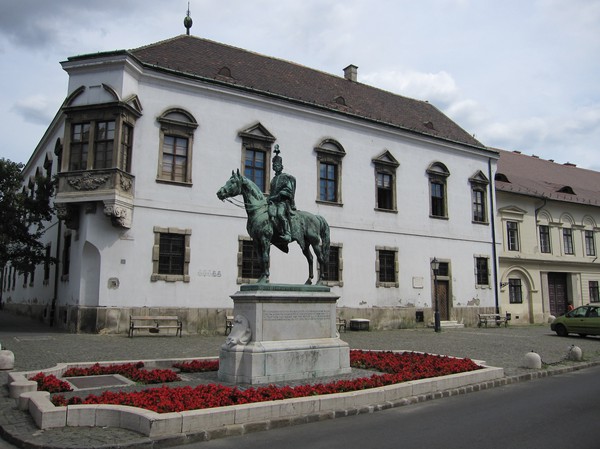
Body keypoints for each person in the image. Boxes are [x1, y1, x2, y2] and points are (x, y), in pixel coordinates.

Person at [268, 145, 296, 243]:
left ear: (281, 166)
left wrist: (277, 196)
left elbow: (288, 191)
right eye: (274, 166)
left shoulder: (285, 177)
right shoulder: (273, 180)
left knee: (280, 214)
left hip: (282, 203)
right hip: (273, 203)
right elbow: (271, 192)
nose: (276, 167)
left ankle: (287, 233)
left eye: (277, 165)